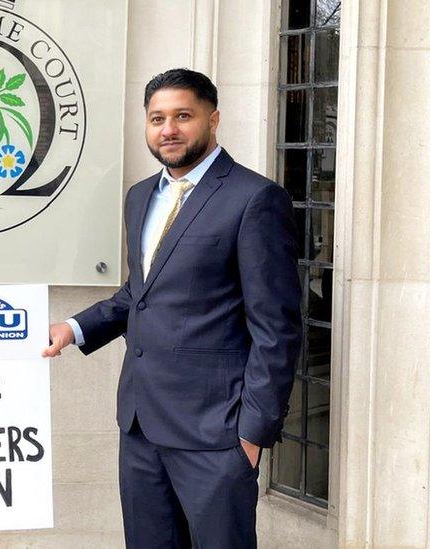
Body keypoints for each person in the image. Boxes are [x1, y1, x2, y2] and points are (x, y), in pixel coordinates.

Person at [43, 68, 302, 548]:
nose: (169, 130)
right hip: (141, 427)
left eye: (183, 116)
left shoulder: (255, 199)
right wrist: (75, 328)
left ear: (213, 118)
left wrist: (251, 435)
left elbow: (277, 329)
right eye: (157, 118)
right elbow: (138, 293)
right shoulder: (141, 197)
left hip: (217, 433)